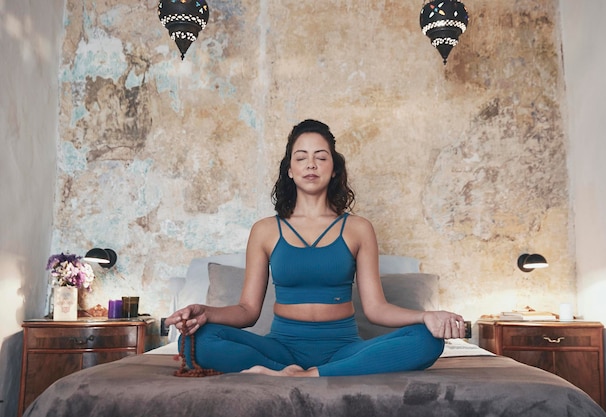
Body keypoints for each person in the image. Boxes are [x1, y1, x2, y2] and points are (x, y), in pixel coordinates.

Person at [166, 119, 464, 377]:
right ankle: (294, 370)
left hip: (344, 348)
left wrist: (426, 316)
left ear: (334, 169)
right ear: (290, 170)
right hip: (279, 347)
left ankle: (301, 376)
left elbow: (377, 309)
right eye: (301, 157)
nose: (311, 164)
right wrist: (205, 312)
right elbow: (247, 311)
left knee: (428, 340)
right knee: (195, 340)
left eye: (321, 157)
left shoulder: (358, 229)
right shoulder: (265, 230)